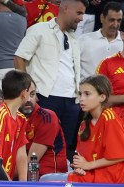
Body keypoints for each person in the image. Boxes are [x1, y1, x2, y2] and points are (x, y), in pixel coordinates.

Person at [14, 0, 87, 161]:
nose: (81, 19)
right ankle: (31, 182)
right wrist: (28, 92)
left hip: (71, 101)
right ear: (65, 8)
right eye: (79, 13)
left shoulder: (74, 38)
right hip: (45, 97)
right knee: (39, 144)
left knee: (64, 147)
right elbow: (19, 58)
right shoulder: (39, 30)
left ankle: (58, 181)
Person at [97, 11, 124, 184]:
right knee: (113, 183)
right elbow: (95, 100)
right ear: (122, 35)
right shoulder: (107, 64)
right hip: (114, 133)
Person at [68, 74, 124, 183]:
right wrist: (79, 168)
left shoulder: (110, 119)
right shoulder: (83, 124)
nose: (81, 99)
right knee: (47, 180)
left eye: (87, 94)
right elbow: (80, 158)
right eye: (80, 94)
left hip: (107, 179)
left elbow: (120, 156)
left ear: (102, 97)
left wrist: (88, 165)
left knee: (47, 180)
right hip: (88, 176)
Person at [0, 69, 31, 179]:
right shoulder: (0, 115)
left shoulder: (21, 119)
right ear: (24, 93)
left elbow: (21, 155)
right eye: (29, 92)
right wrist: (8, 184)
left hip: (6, 182)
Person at [19, 80, 68, 176]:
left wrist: (4, 175)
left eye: (32, 94)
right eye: (24, 95)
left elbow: (31, 161)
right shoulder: (11, 118)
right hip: (24, 176)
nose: (29, 99)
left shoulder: (47, 117)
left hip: (49, 178)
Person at [79, 2, 122, 79]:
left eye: (119, 20)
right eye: (111, 20)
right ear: (102, 18)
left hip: (115, 90)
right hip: (86, 89)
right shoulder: (83, 40)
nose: (115, 25)